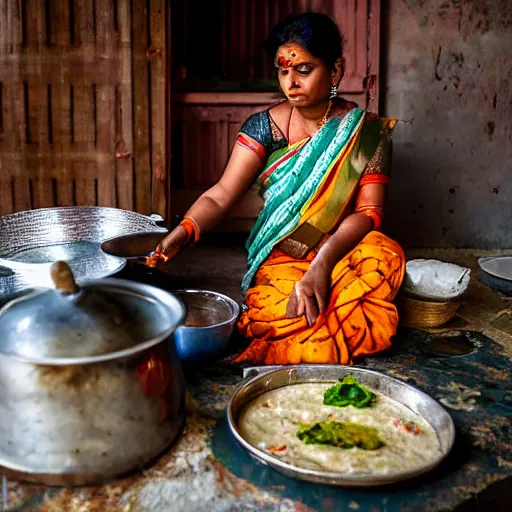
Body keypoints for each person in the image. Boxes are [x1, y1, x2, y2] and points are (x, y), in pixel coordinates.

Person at [151, 12, 405, 365]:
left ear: (335, 71)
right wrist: (183, 231)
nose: (291, 82)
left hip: (343, 247)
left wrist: (324, 264)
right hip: (288, 249)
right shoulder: (264, 127)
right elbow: (221, 194)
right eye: (283, 70)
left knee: (384, 255)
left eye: (303, 69)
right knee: (289, 316)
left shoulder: (366, 134)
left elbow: (368, 213)